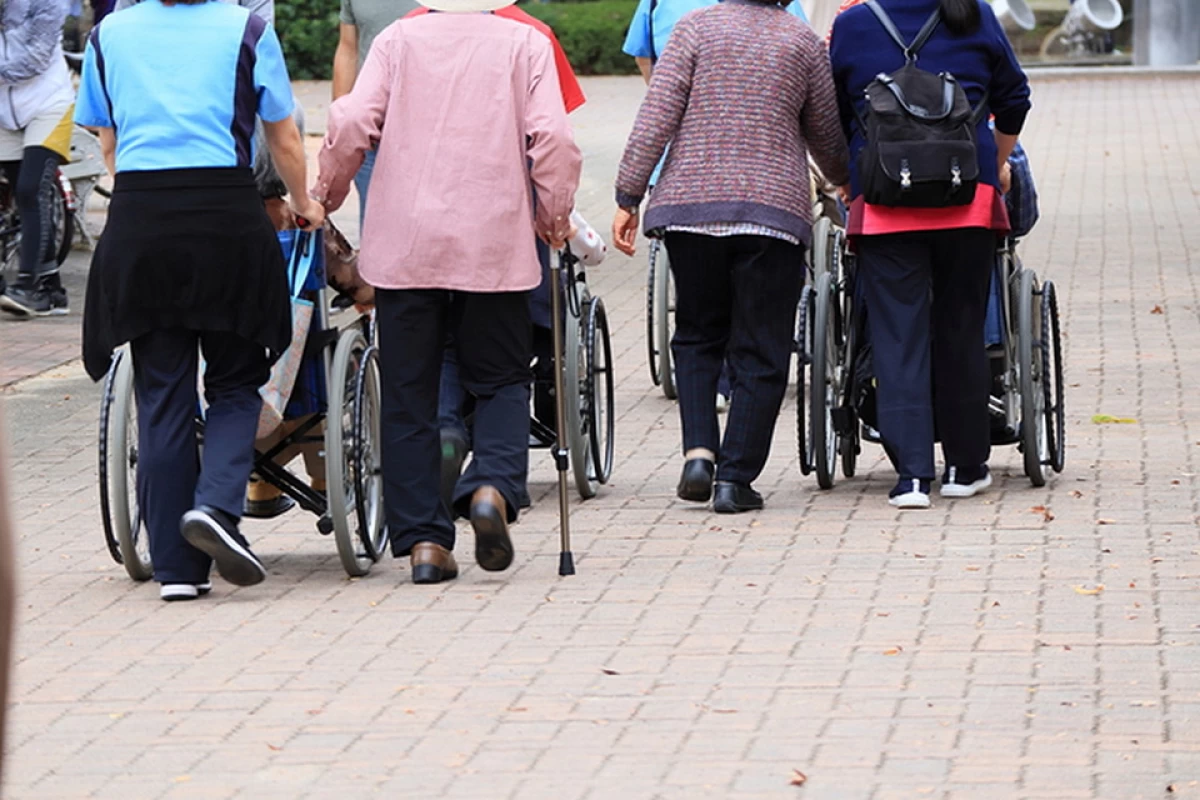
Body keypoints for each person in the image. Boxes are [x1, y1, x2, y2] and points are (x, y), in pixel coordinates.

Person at [314, 0, 580, 585]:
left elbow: (353, 119)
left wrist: (327, 193)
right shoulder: (523, 43)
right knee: (504, 378)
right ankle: (491, 488)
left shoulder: (397, 41)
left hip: (407, 244)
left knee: (410, 393)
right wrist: (554, 214)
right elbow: (555, 138)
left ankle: (425, 546)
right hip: (494, 241)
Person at [76, 0, 325, 601]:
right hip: (225, 217)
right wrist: (304, 201)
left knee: (162, 391)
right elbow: (283, 135)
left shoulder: (110, 33)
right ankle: (216, 505)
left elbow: (107, 141)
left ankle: (177, 571)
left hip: (140, 218)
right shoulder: (247, 30)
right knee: (238, 381)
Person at [614, 0, 850, 514]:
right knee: (762, 348)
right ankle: (735, 478)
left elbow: (657, 113)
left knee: (698, 334)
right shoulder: (801, 40)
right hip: (771, 213)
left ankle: (699, 451)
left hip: (690, 208)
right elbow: (826, 131)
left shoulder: (695, 28)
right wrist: (845, 178)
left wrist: (628, 194)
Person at [829, 0, 1031, 508]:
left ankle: (913, 478)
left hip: (884, 202)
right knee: (961, 329)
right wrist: (995, 161)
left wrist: (846, 176)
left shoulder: (853, 25)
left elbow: (830, 113)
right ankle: (965, 467)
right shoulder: (974, 14)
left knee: (897, 336)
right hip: (968, 199)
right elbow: (1015, 97)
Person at [0, 0, 75, 318]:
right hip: (5, 114)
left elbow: (34, 58)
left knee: (31, 190)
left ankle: (29, 287)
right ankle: (51, 290)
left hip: (49, 104)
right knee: (21, 195)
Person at [332, 0, 421, 226]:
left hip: (428, 127)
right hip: (372, 128)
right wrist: (340, 117)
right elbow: (348, 49)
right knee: (374, 224)